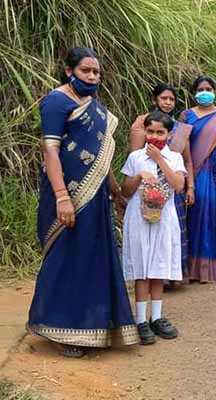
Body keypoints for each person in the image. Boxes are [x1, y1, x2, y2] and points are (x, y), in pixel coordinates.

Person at [27, 47, 138, 358]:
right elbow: (50, 151)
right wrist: (62, 197)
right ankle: (60, 327)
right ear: (69, 71)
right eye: (86, 71)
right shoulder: (56, 101)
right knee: (67, 258)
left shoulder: (95, 107)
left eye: (96, 72)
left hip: (96, 197)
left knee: (94, 258)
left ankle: (95, 326)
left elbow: (102, 160)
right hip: (67, 194)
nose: (92, 76)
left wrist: (116, 192)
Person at [121, 111, 186, 344]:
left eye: (160, 132)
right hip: (138, 217)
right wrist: (139, 176)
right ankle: (140, 319)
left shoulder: (175, 157)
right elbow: (125, 191)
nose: (155, 136)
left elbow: (178, 185)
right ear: (144, 132)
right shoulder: (136, 157)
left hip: (164, 219)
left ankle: (156, 317)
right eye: (150, 132)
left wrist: (159, 159)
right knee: (142, 267)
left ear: (168, 134)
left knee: (159, 264)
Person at [129, 83, 194, 280]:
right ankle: (151, 275)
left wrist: (190, 186)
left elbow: (188, 160)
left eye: (171, 99)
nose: (167, 102)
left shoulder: (180, 129)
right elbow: (136, 158)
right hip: (146, 189)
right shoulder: (142, 124)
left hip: (172, 186)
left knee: (170, 231)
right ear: (155, 100)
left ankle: (169, 274)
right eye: (164, 98)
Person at [180, 76, 216, 283]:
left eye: (209, 89)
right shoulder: (186, 115)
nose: (205, 92)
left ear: (214, 91)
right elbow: (180, 145)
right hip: (193, 173)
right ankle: (192, 267)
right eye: (201, 89)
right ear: (194, 93)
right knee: (194, 215)